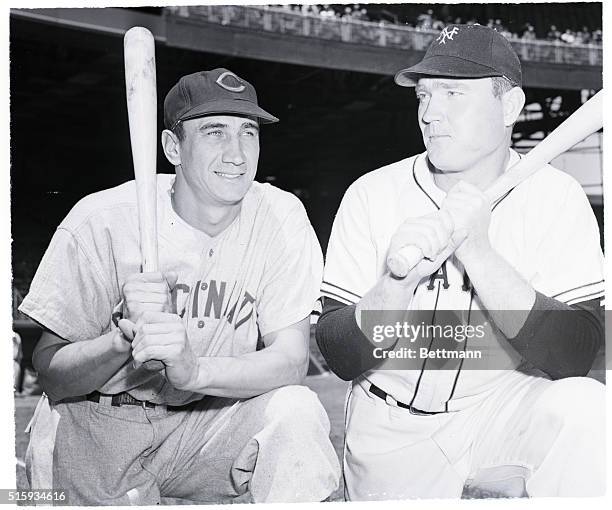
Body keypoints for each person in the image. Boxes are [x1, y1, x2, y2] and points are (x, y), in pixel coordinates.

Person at [19, 68, 340, 505]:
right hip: (100, 426)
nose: (237, 154)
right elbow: (52, 373)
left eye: (248, 132)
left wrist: (194, 371)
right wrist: (120, 339)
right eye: (214, 132)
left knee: (296, 414)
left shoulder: (281, 217)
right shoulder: (103, 219)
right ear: (173, 147)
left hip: (208, 424)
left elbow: (290, 362)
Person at [316, 24, 604, 500]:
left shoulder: (558, 197)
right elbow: (341, 355)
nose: (430, 113)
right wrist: (396, 284)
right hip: (392, 424)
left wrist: (479, 252)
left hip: (500, 408)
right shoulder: (372, 193)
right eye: (424, 96)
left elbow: (579, 353)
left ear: (510, 107)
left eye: (453, 93)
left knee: (588, 409)